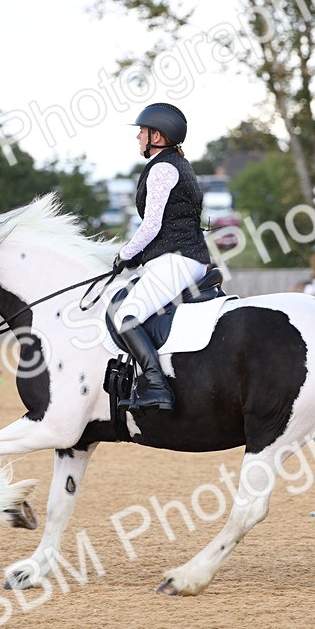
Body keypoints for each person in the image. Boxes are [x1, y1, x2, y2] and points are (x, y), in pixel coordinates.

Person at [111, 102, 210, 412]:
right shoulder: (177, 165)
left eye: (142, 131)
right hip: (182, 258)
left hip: (176, 259)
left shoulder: (162, 169)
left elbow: (151, 224)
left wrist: (124, 255)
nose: (138, 136)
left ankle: (157, 387)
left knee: (127, 317)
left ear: (157, 135)